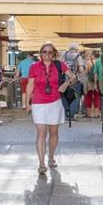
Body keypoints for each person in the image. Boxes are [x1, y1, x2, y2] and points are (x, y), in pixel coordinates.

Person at [26, 42, 74, 174]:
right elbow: (30, 85)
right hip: (38, 103)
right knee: (41, 133)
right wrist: (27, 103)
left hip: (55, 102)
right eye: (44, 52)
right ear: (40, 53)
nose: (47, 55)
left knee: (53, 132)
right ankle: (41, 163)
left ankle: (51, 157)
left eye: (50, 52)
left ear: (54, 54)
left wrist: (66, 84)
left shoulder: (60, 65)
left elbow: (74, 77)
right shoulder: (34, 67)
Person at [61, 42, 86, 119]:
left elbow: (60, 66)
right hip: (74, 80)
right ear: (76, 48)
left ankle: (65, 113)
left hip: (64, 79)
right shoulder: (78, 56)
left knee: (63, 96)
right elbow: (81, 69)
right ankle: (71, 115)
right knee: (76, 96)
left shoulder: (63, 54)